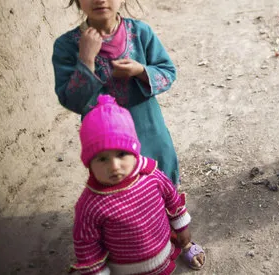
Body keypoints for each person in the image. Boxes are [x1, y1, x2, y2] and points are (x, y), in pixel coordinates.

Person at [52, 0, 180, 184]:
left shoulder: (140, 33)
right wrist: (86, 60)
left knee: (159, 182)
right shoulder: (66, 46)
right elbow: (70, 100)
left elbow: (168, 73)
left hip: (149, 128)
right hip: (106, 143)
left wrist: (140, 71)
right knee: (119, 192)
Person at [70, 94, 205, 274]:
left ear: (134, 152)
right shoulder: (90, 205)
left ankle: (185, 247)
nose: (114, 166)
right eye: (102, 159)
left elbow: (173, 201)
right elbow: (87, 247)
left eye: (121, 154)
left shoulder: (151, 175)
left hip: (164, 251)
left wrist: (183, 233)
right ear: (89, 163)